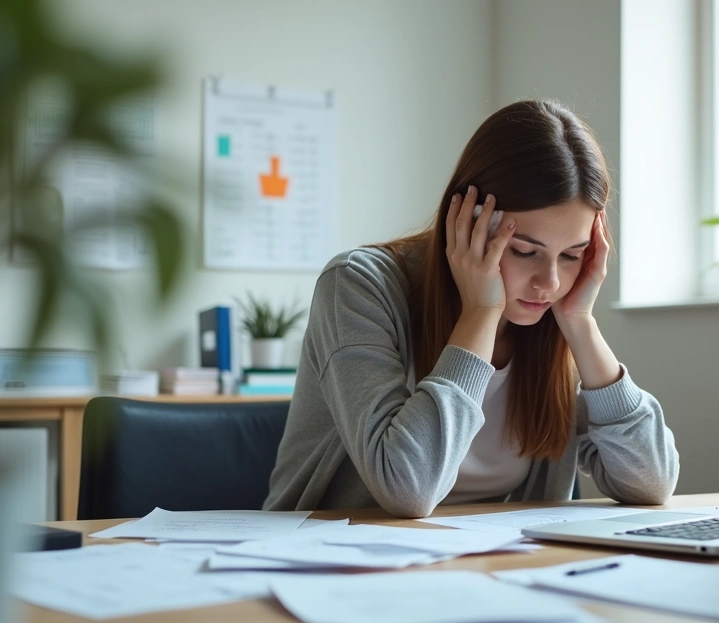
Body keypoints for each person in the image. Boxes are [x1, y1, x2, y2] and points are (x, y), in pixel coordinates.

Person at [264, 100, 679, 518]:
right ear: (466, 221)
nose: (549, 282)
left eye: (572, 255)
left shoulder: (551, 316)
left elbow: (652, 482)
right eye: (523, 250)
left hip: (484, 563)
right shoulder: (357, 286)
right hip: (335, 560)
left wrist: (580, 324)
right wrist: (480, 312)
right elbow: (407, 489)